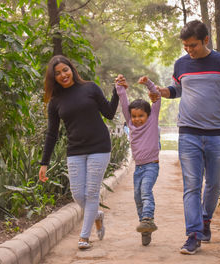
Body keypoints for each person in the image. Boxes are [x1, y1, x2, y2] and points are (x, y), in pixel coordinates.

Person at [150, 20, 220, 254]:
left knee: (214, 185)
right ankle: (193, 234)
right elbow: (176, 90)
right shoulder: (181, 64)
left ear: (206, 40)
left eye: (193, 45)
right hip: (188, 134)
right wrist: (160, 92)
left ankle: (205, 220)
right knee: (192, 186)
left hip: (217, 135)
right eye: (185, 46)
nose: (189, 50)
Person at [38, 55, 119, 250]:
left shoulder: (90, 88)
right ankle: (97, 215)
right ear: (53, 77)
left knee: (91, 193)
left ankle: (84, 237)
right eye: (57, 73)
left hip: (99, 147)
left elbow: (108, 112)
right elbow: (52, 134)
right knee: (77, 195)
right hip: (75, 151)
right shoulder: (55, 101)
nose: (63, 75)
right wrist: (44, 163)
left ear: (72, 69)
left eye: (65, 70)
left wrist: (117, 91)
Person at [115, 74, 161, 246]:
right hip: (139, 168)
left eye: (141, 115)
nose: (136, 119)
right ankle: (145, 227)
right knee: (137, 197)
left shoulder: (153, 120)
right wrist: (120, 86)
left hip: (151, 166)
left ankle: (148, 218)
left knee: (145, 191)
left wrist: (148, 83)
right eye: (134, 116)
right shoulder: (131, 125)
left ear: (149, 115)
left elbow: (157, 98)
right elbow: (124, 103)